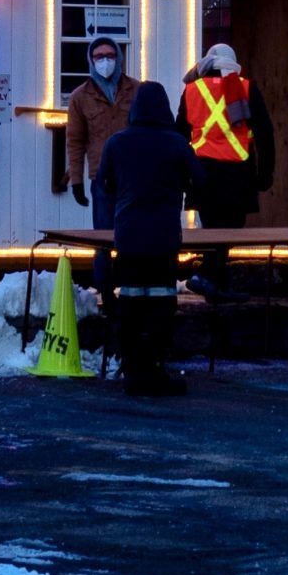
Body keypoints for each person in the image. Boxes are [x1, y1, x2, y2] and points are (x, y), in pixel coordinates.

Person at [91, 81, 200, 397]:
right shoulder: (177, 144)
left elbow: (104, 183)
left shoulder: (117, 143)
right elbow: (199, 181)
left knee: (132, 300)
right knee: (162, 302)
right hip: (164, 238)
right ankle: (154, 368)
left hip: (129, 236)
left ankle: (132, 367)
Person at [64, 33, 138, 297]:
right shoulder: (79, 97)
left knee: (134, 237)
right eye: (98, 57)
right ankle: (105, 292)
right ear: (90, 61)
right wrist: (76, 181)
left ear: (118, 58)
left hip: (134, 178)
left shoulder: (137, 90)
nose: (104, 61)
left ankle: (133, 290)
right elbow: (75, 141)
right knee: (104, 239)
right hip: (102, 179)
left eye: (109, 56)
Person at [179, 42, 273, 231]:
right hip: (239, 177)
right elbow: (265, 135)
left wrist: (182, 177)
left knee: (211, 236)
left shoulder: (192, 90)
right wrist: (264, 176)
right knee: (232, 235)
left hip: (203, 176)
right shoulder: (247, 88)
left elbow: (179, 137)